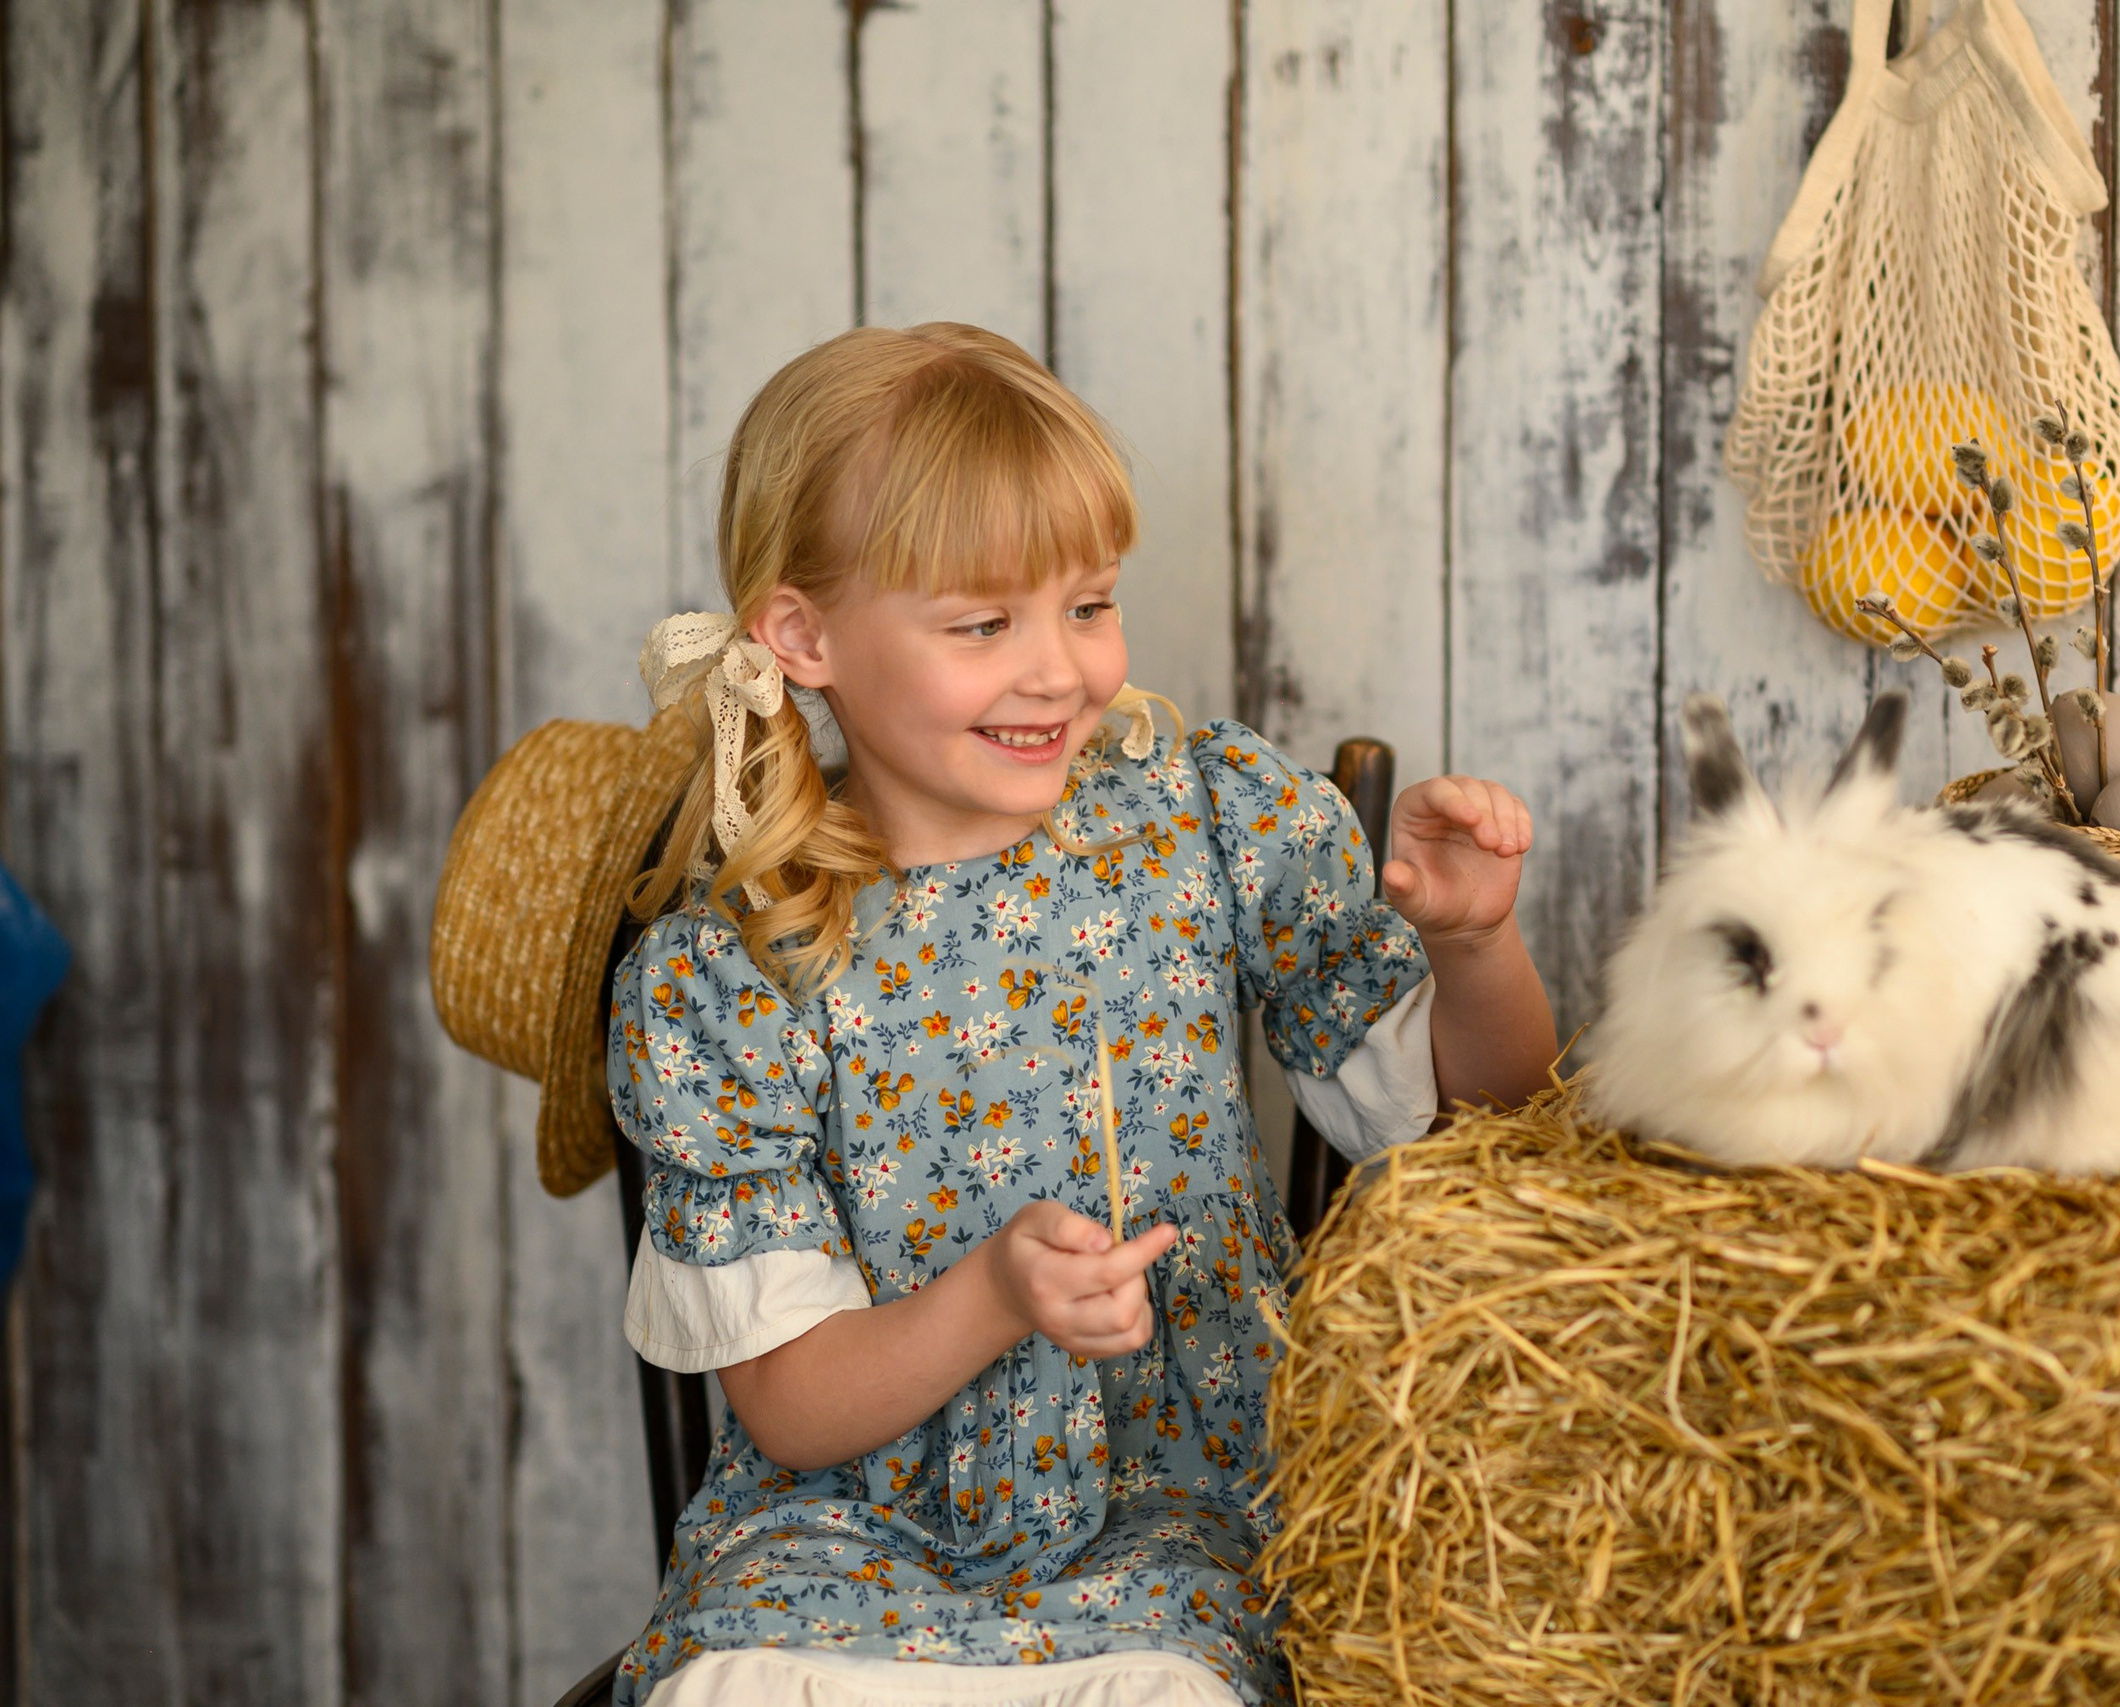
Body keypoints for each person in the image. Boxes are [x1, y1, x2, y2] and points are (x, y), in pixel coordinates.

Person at [610, 323, 1555, 1706]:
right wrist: (995, 1297)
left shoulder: (1200, 822)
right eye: (984, 624)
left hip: (1176, 1502)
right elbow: (795, 1407)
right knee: (738, 1686)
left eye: (1089, 604)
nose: (1058, 670)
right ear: (803, 636)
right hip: (841, 1528)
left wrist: (1475, 948)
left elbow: (1486, 1126)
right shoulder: (740, 970)